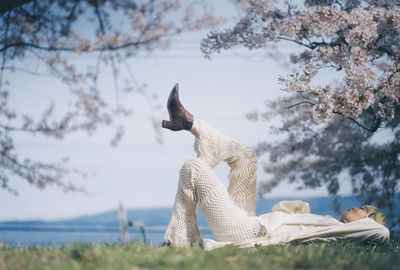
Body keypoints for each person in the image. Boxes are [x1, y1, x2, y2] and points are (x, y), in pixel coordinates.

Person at [161, 84, 390, 250]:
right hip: (249, 221)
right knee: (247, 158)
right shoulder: (331, 225)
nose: (355, 208)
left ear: (368, 219)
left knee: (193, 167)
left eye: (363, 209)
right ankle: (191, 124)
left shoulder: (364, 231)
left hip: (246, 232)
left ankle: (179, 240)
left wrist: (373, 221)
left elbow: (382, 232)